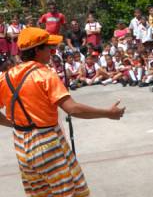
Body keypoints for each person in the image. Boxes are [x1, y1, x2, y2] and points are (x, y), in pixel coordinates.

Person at [0, 27, 125, 197]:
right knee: (67, 192)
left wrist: (15, 123)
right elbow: (72, 108)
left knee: (41, 193)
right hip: (47, 143)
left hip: (21, 145)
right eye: (48, 47)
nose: (52, 51)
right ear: (37, 50)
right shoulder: (45, 75)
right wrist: (107, 113)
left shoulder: (6, 77)